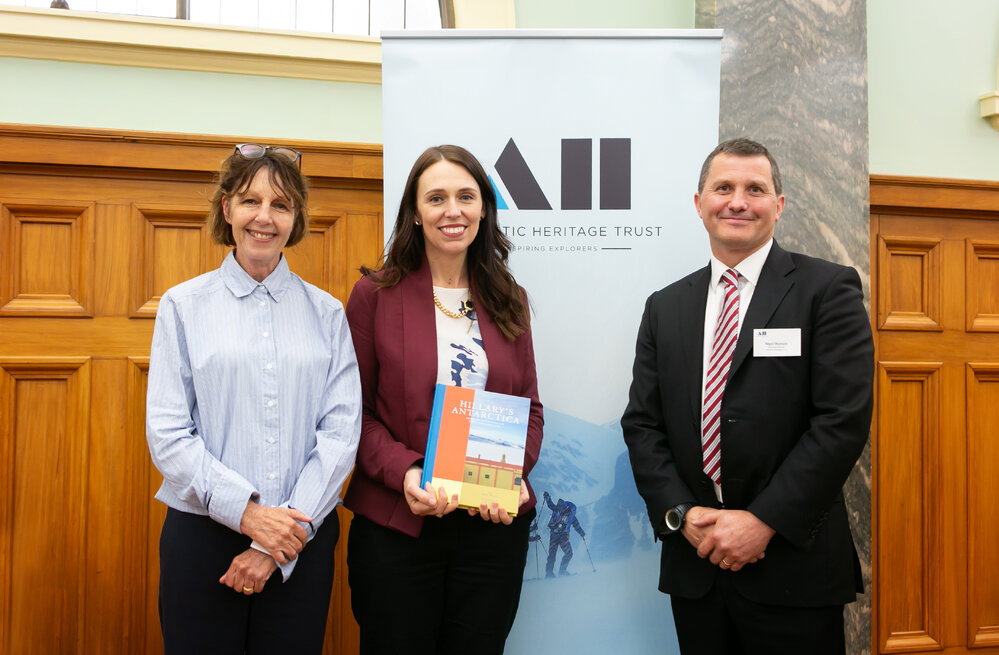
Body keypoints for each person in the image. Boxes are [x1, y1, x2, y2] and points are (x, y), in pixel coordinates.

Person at [621, 138, 874, 654]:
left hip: (792, 569)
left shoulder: (827, 290)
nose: (737, 201)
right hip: (697, 566)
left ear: (778, 206)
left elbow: (841, 421)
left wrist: (762, 522)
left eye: (754, 189)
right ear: (699, 204)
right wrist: (682, 516)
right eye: (723, 188)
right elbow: (643, 424)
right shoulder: (665, 306)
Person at [145, 143, 362, 654]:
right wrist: (247, 514)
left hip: (299, 541)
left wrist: (273, 541)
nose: (264, 217)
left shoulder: (328, 315)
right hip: (203, 538)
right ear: (227, 209)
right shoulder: (182, 306)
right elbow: (169, 435)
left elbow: (341, 435)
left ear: (295, 219)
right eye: (250, 201)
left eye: (281, 205)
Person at [344, 144, 544, 655]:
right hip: (398, 527)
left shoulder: (508, 297)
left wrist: (508, 477)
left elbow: (531, 408)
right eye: (436, 198)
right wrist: (409, 472)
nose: (452, 210)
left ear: (484, 209)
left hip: (490, 533)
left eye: (466, 196)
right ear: (414, 211)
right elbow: (354, 415)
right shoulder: (374, 296)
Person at [542, 491, 585, 578]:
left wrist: (547, 497)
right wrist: (581, 533)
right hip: (563, 537)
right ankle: (561, 571)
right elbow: (576, 526)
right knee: (568, 553)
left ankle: (549, 573)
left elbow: (550, 504)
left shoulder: (557, 509)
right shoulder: (572, 516)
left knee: (552, 555)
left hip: (554, 535)